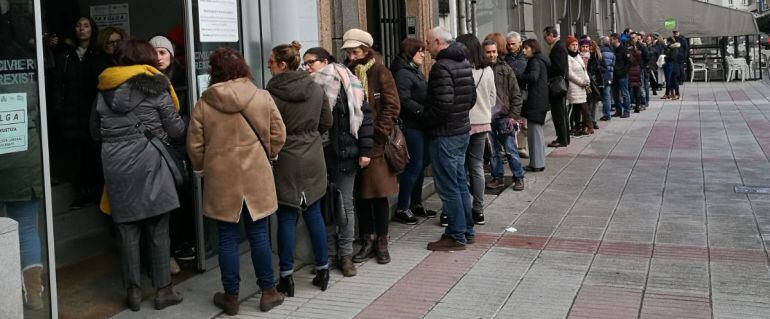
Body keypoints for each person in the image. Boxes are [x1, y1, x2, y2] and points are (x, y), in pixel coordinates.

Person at [187, 47, 286, 314]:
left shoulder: (205, 102)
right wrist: (269, 154)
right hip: (257, 176)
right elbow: (279, 134)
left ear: (214, 71)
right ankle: (268, 292)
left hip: (221, 178)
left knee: (227, 239)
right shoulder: (262, 96)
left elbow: (195, 145)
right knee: (259, 236)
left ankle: (231, 297)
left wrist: (201, 170)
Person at [92, 38, 185, 312]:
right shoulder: (156, 87)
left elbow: (95, 132)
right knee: (158, 229)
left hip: (116, 167)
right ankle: (163, 291)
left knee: (126, 230)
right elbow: (177, 129)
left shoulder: (103, 90)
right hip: (151, 165)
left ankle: (132, 291)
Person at [265, 42, 332, 296]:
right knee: (314, 211)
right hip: (313, 154)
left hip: (286, 157)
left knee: (286, 216)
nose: (268, 66)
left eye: (271, 61)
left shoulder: (271, 93)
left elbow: (269, 129)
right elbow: (327, 121)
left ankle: (286, 277)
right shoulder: (315, 88)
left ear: (282, 65)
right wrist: (310, 135)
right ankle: (323, 269)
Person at [303, 46, 374, 277]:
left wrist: (365, 150)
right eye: (304, 64)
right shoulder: (308, 86)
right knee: (323, 206)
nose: (306, 68)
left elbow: (364, 116)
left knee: (344, 205)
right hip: (317, 155)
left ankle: (345, 255)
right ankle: (329, 254)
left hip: (345, 152)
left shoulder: (346, 81)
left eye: (310, 62)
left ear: (324, 61)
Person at [341, 29, 401, 264]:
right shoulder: (345, 72)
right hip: (353, 141)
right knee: (361, 195)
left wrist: (378, 134)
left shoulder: (380, 71)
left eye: (355, 51)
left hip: (376, 144)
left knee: (378, 193)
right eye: (348, 51)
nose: (351, 55)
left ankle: (382, 241)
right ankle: (367, 239)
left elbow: (392, 106)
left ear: (366, 50)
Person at [422, 26, 476, 250]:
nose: (425, 48)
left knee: (448, 187)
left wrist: (424, 118)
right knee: (460, 183)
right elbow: (471, 97)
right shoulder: (463, 61)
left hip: (445, 134)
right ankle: (467, 229)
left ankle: (455, 235)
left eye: (427, 42)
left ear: (437, 42)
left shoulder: (441, 67)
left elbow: (442, 106)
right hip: (461, 130)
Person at [149, 35, 194, 275]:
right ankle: (167, 252)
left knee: (182, 197)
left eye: (163, 52)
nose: (158, 57)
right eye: (154, 52)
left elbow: (188, 113)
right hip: (156, 147)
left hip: (178, 145)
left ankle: (182, 244)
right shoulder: (144, 81)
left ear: (171, 56)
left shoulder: (183, 79)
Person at [52, 16, 106, 210]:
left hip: (93, 111)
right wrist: (58, 107)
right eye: (78, 25)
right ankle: (82, 192)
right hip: (72, 112)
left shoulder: (98, 54)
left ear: (93, 29)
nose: (82, 29)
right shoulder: (66, 55)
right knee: (76, 155)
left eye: (86, 26)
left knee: (94, 154)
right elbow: (58, 82)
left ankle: (95, 193)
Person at [390, 38, 437, 223]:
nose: (423, 55)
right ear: (410, 52)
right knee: (413, 166)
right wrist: (422, 111)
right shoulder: (402, 73)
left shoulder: (413, 70)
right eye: (420, 51)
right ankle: (402, 206)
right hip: (412, 126)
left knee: (420, 165)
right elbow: (403, 100)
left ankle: (416, 203)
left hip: (421, 125)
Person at [456, 34, 495, 226]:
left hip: (462, 123)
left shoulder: (460, 69)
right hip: (483, 122)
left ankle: (460, 209)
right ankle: (479, 210)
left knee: (460, 167)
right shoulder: (488, 69)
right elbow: (493, 98)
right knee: (477, 167)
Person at [482, 39, 525, 192]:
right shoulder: (480, 70)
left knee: (511, 150)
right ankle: (497, 177)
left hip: (504, 117)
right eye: (488, 52)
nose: (491, 55)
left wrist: (513, 117)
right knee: (493, 152)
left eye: (493, 51)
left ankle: (519, 177)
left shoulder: (506, 69)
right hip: (487, 117)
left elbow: (516, 95)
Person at [519, 39, 549, 172]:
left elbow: (533, 77)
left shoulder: (535, 61)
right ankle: (538, 162)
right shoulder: (540, 60)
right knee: (537, 133)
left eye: (526, 48)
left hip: (535, 101)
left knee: (534, 134)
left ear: (533, 48)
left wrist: (519, 76)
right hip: (540, 101)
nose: (524, 50)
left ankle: (536, 164)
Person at [543, 26, 569, 148]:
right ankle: (564, 138)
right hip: (559, 84)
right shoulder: (560, 45)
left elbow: (558, 68)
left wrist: (547, 70)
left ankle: (562, 139)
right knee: (561, 113)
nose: (545, 40)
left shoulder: (558, 47)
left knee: (558, 114)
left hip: (557, 85)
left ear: (551, 35)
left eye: (545, 37)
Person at [505, 31, 529, 158]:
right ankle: (510, 148)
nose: (510, 47)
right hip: (508, 95)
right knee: (510, 122)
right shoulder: (505, 58)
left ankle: (521, 147)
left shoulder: (525, 57)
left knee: (523, 123)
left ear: (520, 43)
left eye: (513, 44)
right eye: (508, 44)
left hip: (522, 93)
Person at [566, 36, 593, 136]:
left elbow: (584, 69)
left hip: (582, 86)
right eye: (572, 45)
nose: (575, 47)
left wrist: (587, 80)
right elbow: (569, 73)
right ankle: (584, 126)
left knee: (580, 107)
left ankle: (580, 127)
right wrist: (581, 82)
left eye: (576, 45)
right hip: (574, 86)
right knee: (581, 107)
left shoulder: (578, 56)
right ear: (568, 46)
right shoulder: (567, 57)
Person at [610, 33, 631, 118]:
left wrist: (623, 71)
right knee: (615, 94)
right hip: (614, 75)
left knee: (624, 93)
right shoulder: (612, 49)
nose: (610, 41)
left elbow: (629, 62)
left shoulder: (624, 49)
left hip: (622, 75)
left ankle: (627, 111)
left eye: (611, 39)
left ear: (616, 39)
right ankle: (618, 111)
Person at [598, 36, 615, 121]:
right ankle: (608, 113)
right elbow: (613, 63)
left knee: (604, 95)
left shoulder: (600, 51)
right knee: (608, 95)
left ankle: (606, 114)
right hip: (610, 75)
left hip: (602, 76)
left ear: (602, 42)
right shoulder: (612, 51)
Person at [628, 37, 644, 113]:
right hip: (637, 69)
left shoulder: (628, 52)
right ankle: (638, 106)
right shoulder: (638, 52)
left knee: (628, 89)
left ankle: (630, 105)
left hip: (630, 70)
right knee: (637, 88)